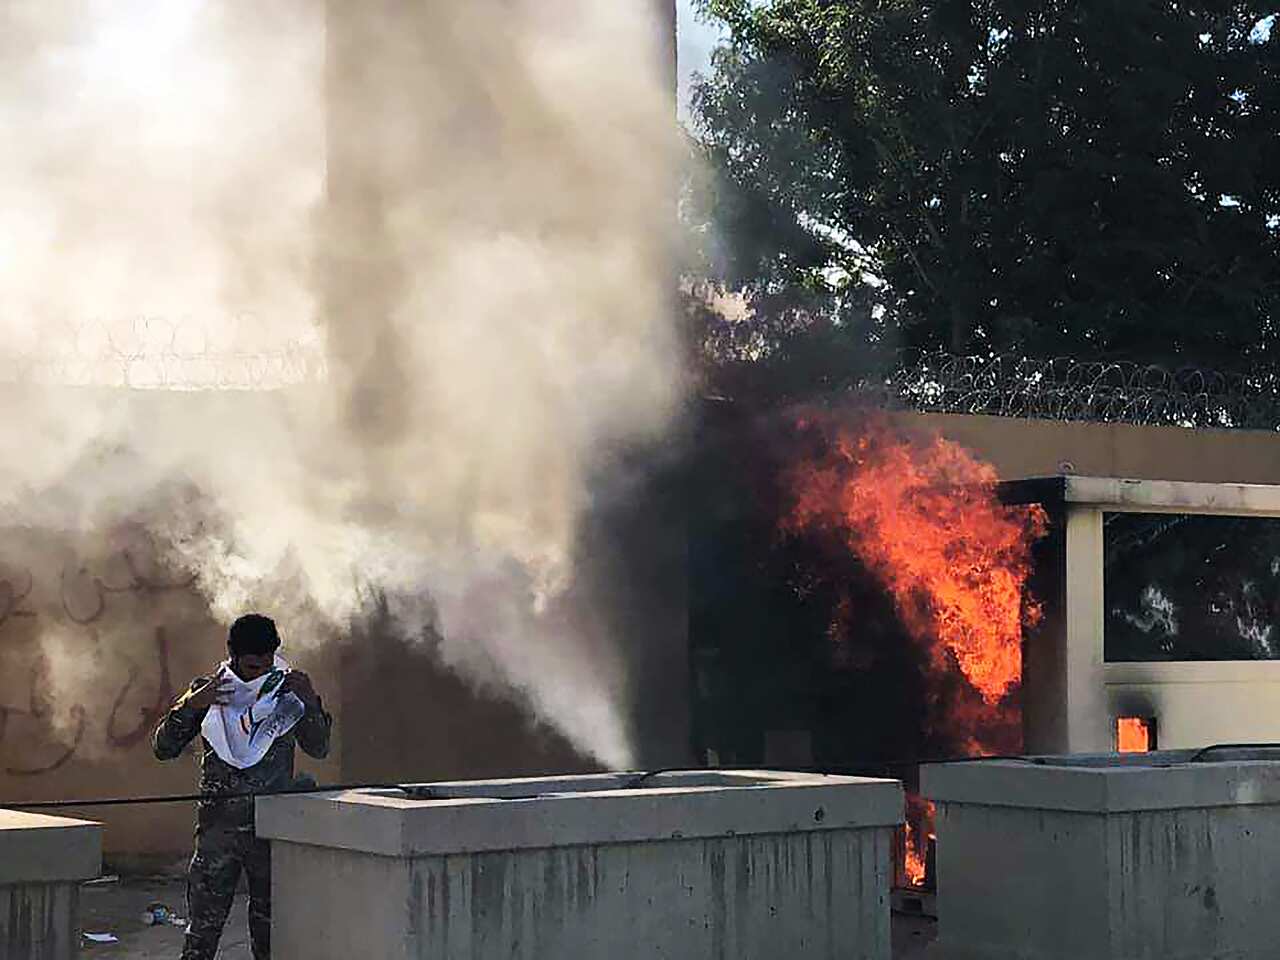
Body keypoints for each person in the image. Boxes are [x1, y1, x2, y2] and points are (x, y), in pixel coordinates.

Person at [153, 614, 332, 960]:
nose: (259, 674)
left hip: (270, 836)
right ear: (233, 657)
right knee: (201, 938)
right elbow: (163, 748)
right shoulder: (209, 692)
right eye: (251, 667)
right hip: (217, 837)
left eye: (266, 665)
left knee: (271, 940)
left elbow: (319, 748)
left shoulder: (287, 693)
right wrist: (190, 708)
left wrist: (311, 702)